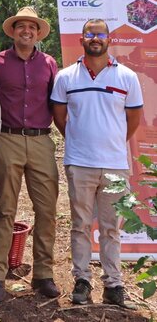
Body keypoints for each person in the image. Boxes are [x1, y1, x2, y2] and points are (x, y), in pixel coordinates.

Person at [51, 18, 143, 307]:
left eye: (100, 34)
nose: (95, 38)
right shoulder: (66, 76)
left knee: (110, 227)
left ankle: (113, 284)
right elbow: (60, 118)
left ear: (108, 39)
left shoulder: (127, 76)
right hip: (79, 163)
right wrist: (81, 140)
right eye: (89, 33)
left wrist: (111, 143)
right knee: (79, 225)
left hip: (115, 165)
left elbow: (133, 120)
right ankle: (82, 280)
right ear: (81, 39)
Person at [0, 7, 60, 302]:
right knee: (5, 209)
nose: (26, 31)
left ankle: (43, 275)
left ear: (38, 32)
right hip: (7, 139)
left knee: (47, 210)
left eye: (32, 27)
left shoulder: (49, 63)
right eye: (21, 27)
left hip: (41, 140)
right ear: (13, 31)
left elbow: (57, 103)